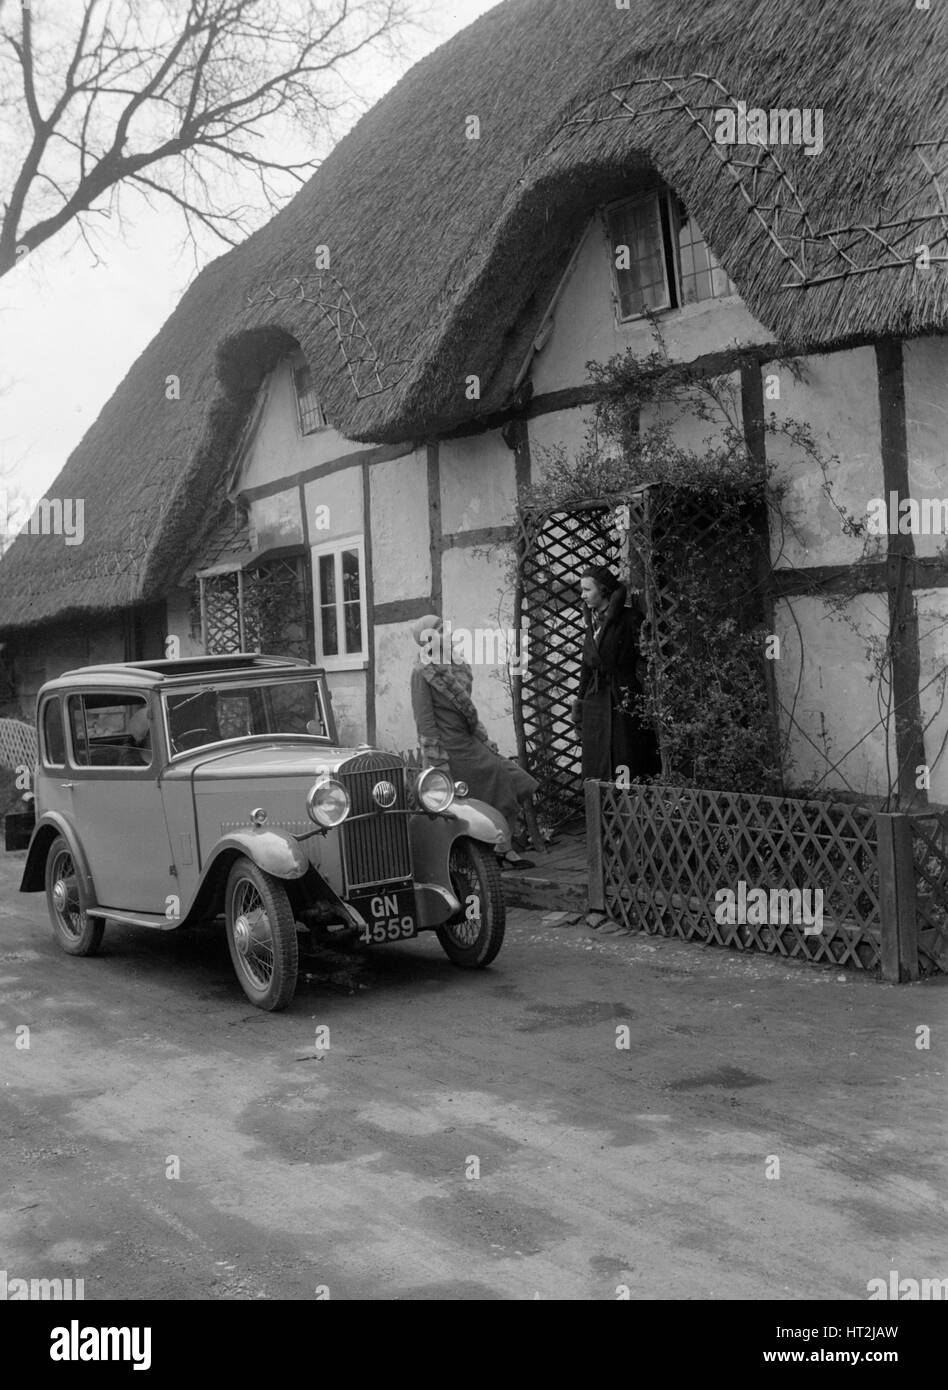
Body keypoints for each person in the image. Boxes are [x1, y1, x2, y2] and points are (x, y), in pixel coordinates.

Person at [410, 614, 538, 868]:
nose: (448, 634)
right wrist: (438, 762)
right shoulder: (422, 673)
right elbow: (424, 722)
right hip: (449, 747)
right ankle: (502, 849)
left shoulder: (458, 665)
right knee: (497, 776)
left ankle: (501, 843)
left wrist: (483, 738)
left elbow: (469, 711)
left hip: (469, 740)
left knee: (515, 778)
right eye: (440, 631)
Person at [572, 565, 660, 783]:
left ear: (603, 591)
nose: (582, 595)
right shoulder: (592, 624)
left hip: (623, 698)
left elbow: (647, 660)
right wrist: (580, 704)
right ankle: (604, 810)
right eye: (581, 590)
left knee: (625, 755)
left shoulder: (630, 618)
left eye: (587, 589)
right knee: (598, 759)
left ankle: (628, 804)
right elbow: (586, 668)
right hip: (595, 703)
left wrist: (644, 695)